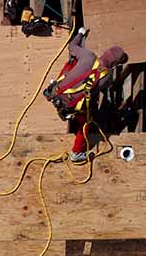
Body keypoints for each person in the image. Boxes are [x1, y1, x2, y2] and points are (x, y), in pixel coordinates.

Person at [45, 30, 128, 162]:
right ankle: (77, 153)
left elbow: (72, 46)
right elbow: (94, 92)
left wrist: (80, 34)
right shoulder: (107, 77)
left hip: (57, 94)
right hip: (71, 106)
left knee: (72, 62)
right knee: (86, 121)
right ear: (114, 64)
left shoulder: (88, 55)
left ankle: (50, 92)